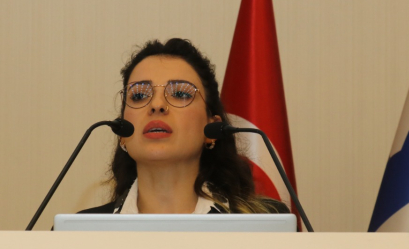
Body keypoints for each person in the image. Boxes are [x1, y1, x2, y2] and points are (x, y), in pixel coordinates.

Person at [80, 38, 288, 215]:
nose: (157, 105)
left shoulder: (265, 223)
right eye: (140, 95)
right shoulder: (81, 233)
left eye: (180, 94)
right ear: (122, 134)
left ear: (212, 129)